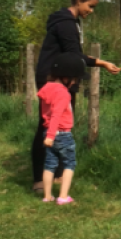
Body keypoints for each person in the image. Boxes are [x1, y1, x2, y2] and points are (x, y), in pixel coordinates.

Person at [31, 0, 120, 192]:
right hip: (54, 80)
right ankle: (40, 178)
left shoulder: (70, 22)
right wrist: (103, 63)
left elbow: (73, 54)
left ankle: (56, 173)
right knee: (48, 126)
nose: (91, 11)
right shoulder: (66, 24)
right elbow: (75, 55)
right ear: (79, 1)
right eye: (90, 6)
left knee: (61, 125)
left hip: (61, 77)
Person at [39, 53, 85, 204]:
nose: (75, 83)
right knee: (69, 164)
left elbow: (46, 114)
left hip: (48, 132)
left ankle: (47, 196)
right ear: (66, 78)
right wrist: (51, 135)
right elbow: (56, 115)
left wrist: (48, 135)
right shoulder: (63, 93)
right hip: (61, 134)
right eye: (75, 79)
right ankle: (63, 197)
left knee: (49, 164)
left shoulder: (47, 89)